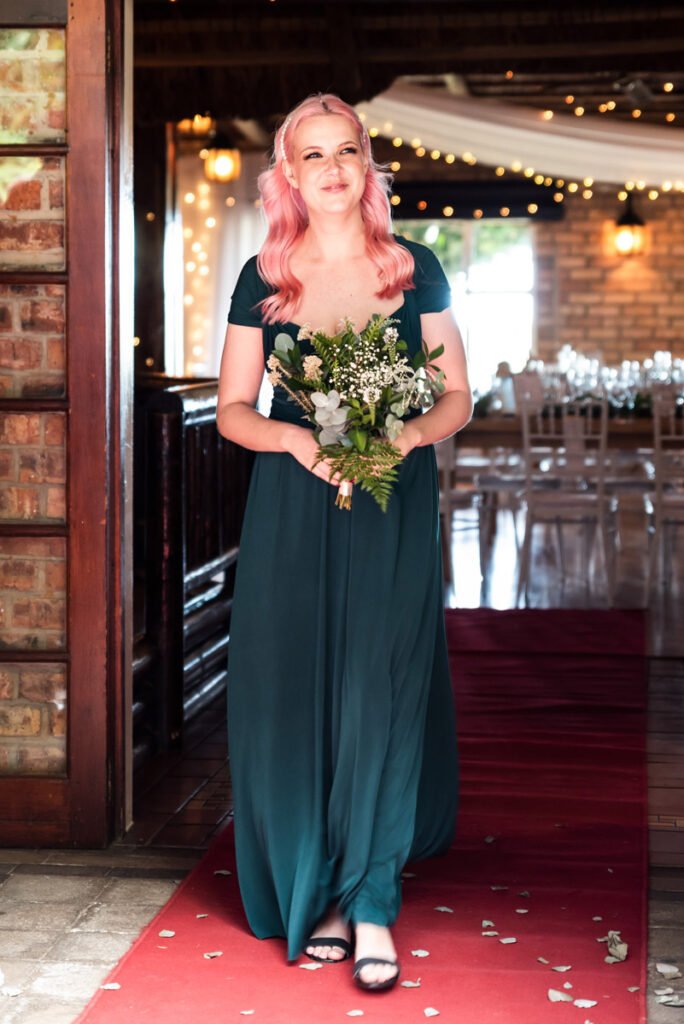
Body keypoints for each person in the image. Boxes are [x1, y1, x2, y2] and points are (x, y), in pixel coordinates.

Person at [216, 92, 472, 993]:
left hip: (390, 504)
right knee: (298, 689)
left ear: (368, 166)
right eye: (313, 155)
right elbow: (233, 410)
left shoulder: (412, 266)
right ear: (288, 172)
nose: (331, 169)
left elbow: (457, 394)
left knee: (377, 690)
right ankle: (318, 884)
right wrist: (296, 441)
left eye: (347, 152)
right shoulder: (263, 274)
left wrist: (404, 435)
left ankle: (369, 901)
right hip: (293, 508)